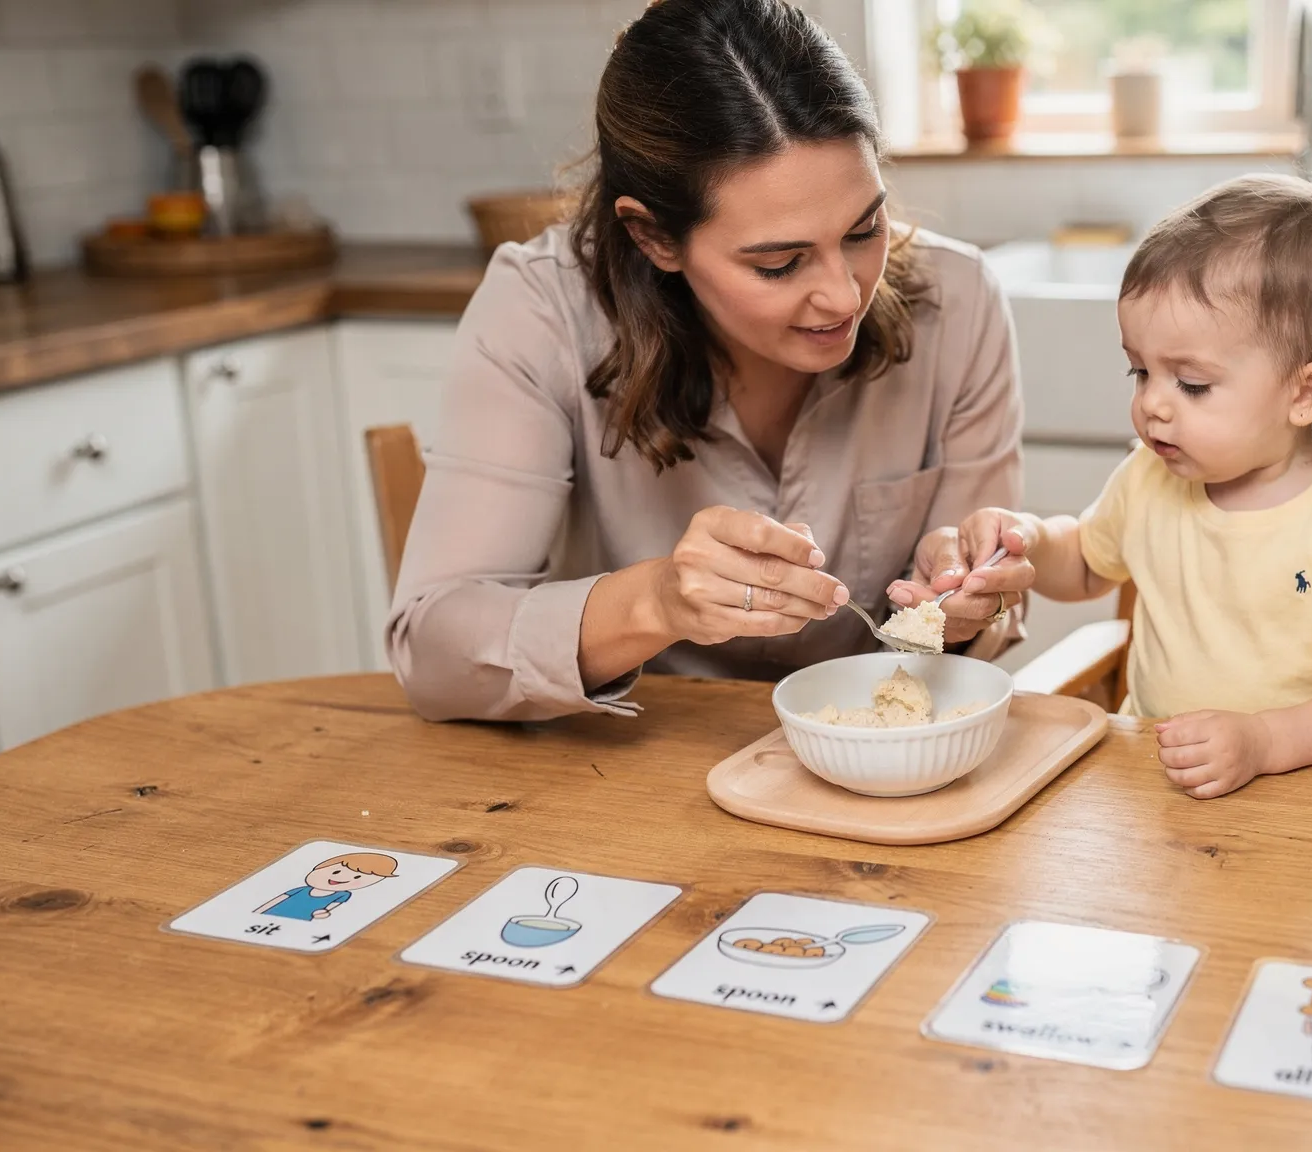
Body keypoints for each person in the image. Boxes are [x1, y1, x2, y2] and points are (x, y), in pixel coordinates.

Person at [387, 0, 1030, 722]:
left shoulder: (960, 299)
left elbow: (969, 623)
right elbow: (433, 652)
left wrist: (968, 605)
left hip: (881, 764)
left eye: (863, 229)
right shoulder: (542, 311)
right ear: (654, 238)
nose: (845, 295)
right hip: (623, 777)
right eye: (781, 264)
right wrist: (656, 600)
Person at [947, 175, 1312, 799]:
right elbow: (1083, 566)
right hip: (1165, 791)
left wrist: (1264, 742)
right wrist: (1023, 538)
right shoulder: (1150, 477)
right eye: (1141, 370)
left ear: (1307, 391)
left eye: (1193, 384)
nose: (1152, 403)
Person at [254, 853, 399, 921]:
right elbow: (275, 901)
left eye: (357, 877)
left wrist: (323, 913)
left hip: (303, 919)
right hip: (272, 914)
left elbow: (331, 908)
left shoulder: (342, 895)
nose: (342, 878)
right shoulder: (300, 890)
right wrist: (259, 911)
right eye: (336, 871)